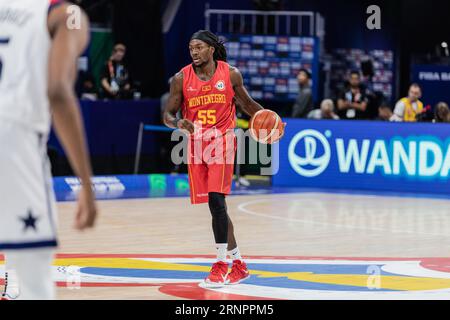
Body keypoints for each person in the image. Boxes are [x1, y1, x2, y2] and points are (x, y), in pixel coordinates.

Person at [163, 30, 284, 287]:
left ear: (211, 49)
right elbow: (168, 115)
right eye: (190, 47)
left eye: (198, 47)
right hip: (196, 145)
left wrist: (271, 122)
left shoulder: (230, 74)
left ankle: (220, 265)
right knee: (216, 207)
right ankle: (238, 264)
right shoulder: (180, 78)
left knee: (217, 202)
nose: (193, 52)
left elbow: (248, 105)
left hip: (222, 142)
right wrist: (178, 122)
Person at [0, 0, 97, 300]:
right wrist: (86, 184)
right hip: (14, 138)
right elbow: (57, 90)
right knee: (35, 287)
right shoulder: (67, 14)